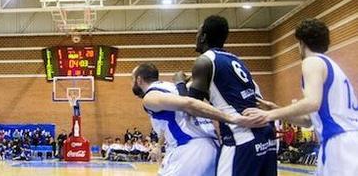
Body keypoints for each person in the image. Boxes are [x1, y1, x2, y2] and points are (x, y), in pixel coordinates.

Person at [243, 19, 358, 175]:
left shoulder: (312, 62)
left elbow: (312, 103)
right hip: (347, 140)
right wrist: (278, 110)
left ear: (301, 43)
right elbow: (308, 121)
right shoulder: (331, 65)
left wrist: (269, 114)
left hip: (339, 142)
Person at [176, 15, 277, 175]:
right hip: (267, 137)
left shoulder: (204, 61)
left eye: (197, 33)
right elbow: (255, 99)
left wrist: (179, 83)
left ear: (203, 37)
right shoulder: (237, 61)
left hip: (241, 138)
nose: (195, 36)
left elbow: (189, 107)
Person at [132, 62, 261, 175]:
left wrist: (232, 118)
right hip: (210, 146)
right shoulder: (175, 87)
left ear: (139, 80)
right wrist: (158, 146)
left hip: (190, 150)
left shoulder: (150, 97)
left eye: (132, 79)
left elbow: (189, 104)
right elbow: (170, 120)